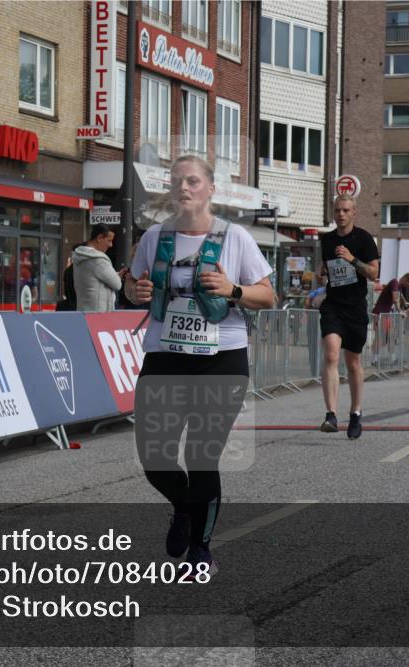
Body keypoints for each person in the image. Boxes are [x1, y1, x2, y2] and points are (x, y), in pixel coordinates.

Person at [123, 155, 274, 575]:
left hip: (220, 360)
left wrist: (233, 288)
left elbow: (268, 296)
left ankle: (200, 549)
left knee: (201, 456)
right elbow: (133, 283)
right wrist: (137, 291)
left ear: (210, 189)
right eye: (177, 182)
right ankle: (184, 508)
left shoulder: (234, 237)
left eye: (192, 181)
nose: (184, 188)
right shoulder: (154, 236)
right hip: (165, 356)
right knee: (154, 456)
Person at [317, 195, 380, 439]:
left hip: (355, 308)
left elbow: (374, 273)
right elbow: (322, 268)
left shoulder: (364, 239)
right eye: (337, 210)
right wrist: (321, 274)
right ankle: (331, 415)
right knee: (331, 353)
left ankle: (355, 412)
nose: (340, 214)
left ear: (354, 212)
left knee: (353, 361)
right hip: (333, 305)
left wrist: (352, 259)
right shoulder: (327, 240)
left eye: (345, 210)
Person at [73, 224, 123, 312]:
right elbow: (117, 284)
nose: (111, 245)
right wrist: (118, 276)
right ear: (100, 238)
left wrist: (116, 275)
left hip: (83, 311)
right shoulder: (98, 260)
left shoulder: (81, 256)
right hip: (99, 314)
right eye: (109, 240)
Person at [371, 272, 409, 364]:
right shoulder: (395, 282)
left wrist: (406, 306)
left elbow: (401, 298)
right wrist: (400, 311)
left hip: (386, 314)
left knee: (390, 336)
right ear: (405, 279)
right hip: (380, 313)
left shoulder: (399, 286)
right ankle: (374, 359)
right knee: (380, 337)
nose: (407, 286)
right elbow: (395, 299)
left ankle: (392, 359)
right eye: (408, 284)